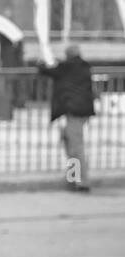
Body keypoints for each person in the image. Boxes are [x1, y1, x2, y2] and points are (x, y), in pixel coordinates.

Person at [39, 45, 95, 191]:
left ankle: (82, 182)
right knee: (70, 144)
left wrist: (41, 64)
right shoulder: (83, 67)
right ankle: (73, 178)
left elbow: (47, 71)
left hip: (73, 111)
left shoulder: (67, 67)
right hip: (80, 111)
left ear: (68, 55)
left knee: (75, 147)